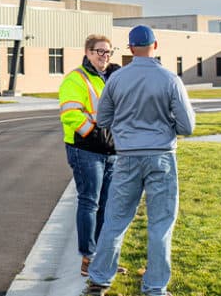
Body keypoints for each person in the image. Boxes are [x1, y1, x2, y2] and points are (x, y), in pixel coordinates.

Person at [83, 25, 195, 296]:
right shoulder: (170, 80)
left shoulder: (117, 80)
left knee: (116, 219)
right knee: (160, 223)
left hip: (127, 159)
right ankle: (155, 287)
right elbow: (187, 126)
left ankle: (99, 279)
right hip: (161, 158)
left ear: (131, 48)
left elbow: (104, 119)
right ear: (155, 46)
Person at [59, 34, 122, 277]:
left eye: (108, 52)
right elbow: (71, 114)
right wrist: (98, 136)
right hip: (85, 150)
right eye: (99, 51)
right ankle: (88, 257)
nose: (104, 56)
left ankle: (101, 256)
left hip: (110, 151)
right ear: (87, 52)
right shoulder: (76, 79)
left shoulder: (110, 78)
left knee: (106, 203)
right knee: (90, 201)